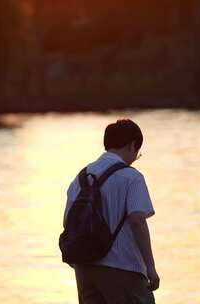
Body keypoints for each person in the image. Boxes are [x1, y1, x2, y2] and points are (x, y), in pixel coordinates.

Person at [63, 119, 159, 304]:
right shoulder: (132, 177)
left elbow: (68, 222)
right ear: (132, 145)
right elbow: (137, 221)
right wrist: (151, 267)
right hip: (124, 268)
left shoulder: (81, 177)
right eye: (137, 152)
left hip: (85, 270)